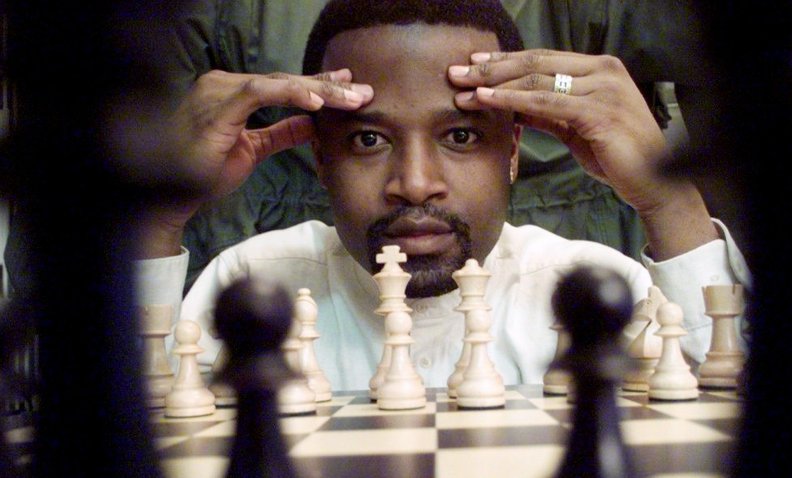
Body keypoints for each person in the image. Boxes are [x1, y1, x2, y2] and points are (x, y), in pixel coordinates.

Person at [136, 0, 749, 390]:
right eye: (369, 139)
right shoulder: (245, 283)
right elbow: (121, 413)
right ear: (320, 158)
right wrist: (160, 215)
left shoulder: (596, 284)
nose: (415, 183)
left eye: (460, 135)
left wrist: (669, 203)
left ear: (512, 151)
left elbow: (736, 409)